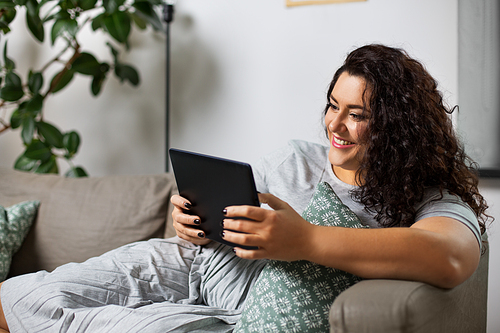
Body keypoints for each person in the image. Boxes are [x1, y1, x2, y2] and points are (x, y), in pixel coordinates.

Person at [0, 44, 490, 332]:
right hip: (193, 261)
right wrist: (192, 221)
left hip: (247, 302)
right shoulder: (295, 158)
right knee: (20, 298)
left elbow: (450, 257)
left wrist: (305, 241)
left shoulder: (426, 195)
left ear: (397, 127)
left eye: (357, 115)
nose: (334, 125)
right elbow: (231, 211)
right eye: (331, 105)